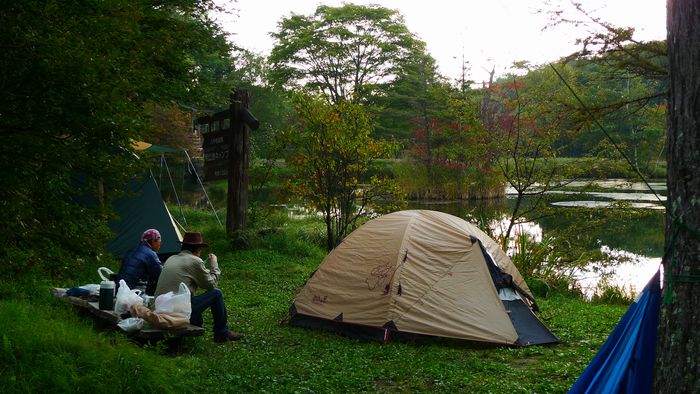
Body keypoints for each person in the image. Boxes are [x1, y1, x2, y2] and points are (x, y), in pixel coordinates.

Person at [155, 231, 243, 342]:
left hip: (161, 307)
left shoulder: (171, 258)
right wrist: (214, 264)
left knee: (196, 310)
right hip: (177, 311)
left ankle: (200, 323)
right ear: (198, 249)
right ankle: (222, 332)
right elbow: (211, 285)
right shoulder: (195, 261)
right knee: (216, 293)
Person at [118, 228, 163, 296]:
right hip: (131, 292)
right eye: (159, 242)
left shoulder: (133, 249)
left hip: (119, 289)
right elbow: (159, 275)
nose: (160, 245)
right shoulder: (150, 254)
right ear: (154, 241)